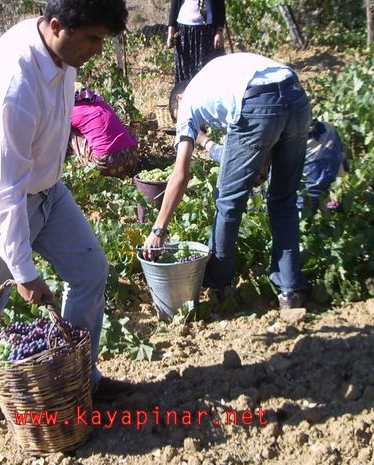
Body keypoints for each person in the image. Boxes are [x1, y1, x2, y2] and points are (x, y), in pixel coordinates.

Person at [0, 0, 132, 431]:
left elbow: (54, 111)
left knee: (89, 271)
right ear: (57, 25)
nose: (96, 50)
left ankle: (81, 378)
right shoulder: (14, 83)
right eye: (93, 40)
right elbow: (3, 188)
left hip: (47, 193)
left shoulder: (59, 48)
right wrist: (24, 270)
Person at [142, 53, 312, 310]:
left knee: (228, 202)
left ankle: (219, 284)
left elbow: (180, 175)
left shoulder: (187, 103)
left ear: (179, 98)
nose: (185, 128)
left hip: (258, 103)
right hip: (296, 95)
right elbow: (268, 115)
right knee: (283, 200)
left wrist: (158, 230)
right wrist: (260, 165)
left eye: (179, 122)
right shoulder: (215, 75)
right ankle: (290, 291)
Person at [197, 118, 348, 212]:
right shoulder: (326, 129)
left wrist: (205, 141)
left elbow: (236, 157)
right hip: (337, 204)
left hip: (310, 211)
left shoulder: (284, 151)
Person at [68, 84, 139, 178]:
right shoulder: (100, 102)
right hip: (132, 157)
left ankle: (77, 165)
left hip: (108, 164)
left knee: (67, 131)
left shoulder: (72, 111)